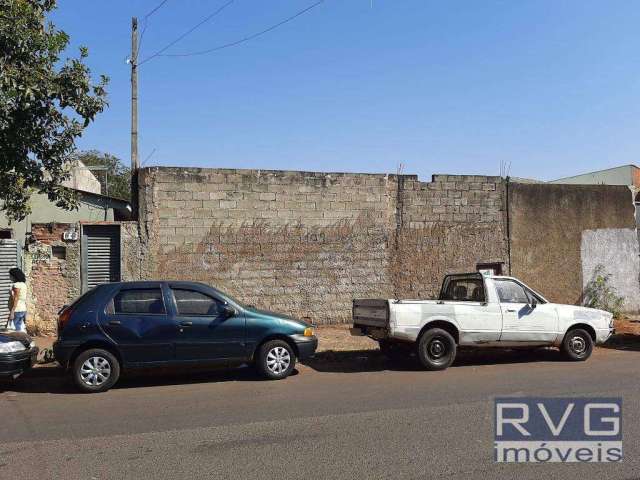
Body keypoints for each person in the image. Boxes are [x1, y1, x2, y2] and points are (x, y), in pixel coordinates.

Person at [8, 267, 27, 332]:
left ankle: (19, 341)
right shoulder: (23, 284)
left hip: (17, 310)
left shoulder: (16, 285)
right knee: (20, 327)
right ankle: (22, 340)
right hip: (23, 309)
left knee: (14, 329)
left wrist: (12, 312)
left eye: (10, 275)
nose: (9, 277)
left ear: (14, 276)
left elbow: (16, 298)